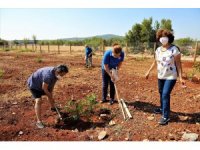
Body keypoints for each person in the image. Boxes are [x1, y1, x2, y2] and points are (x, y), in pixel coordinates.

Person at [145, 29, 185, 125]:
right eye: (161, 37)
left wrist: (181, 77)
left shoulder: (174, 49)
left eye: (165, 37)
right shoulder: (158, 50)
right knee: (161, 92)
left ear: (169, 38)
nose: (163, 39)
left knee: (165, 94)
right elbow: (155, 62)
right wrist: (148, 71)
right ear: (159, 39)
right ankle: (162, 108)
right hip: (160, 75)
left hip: (171, 76)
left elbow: (178, 64)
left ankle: (166, 116)